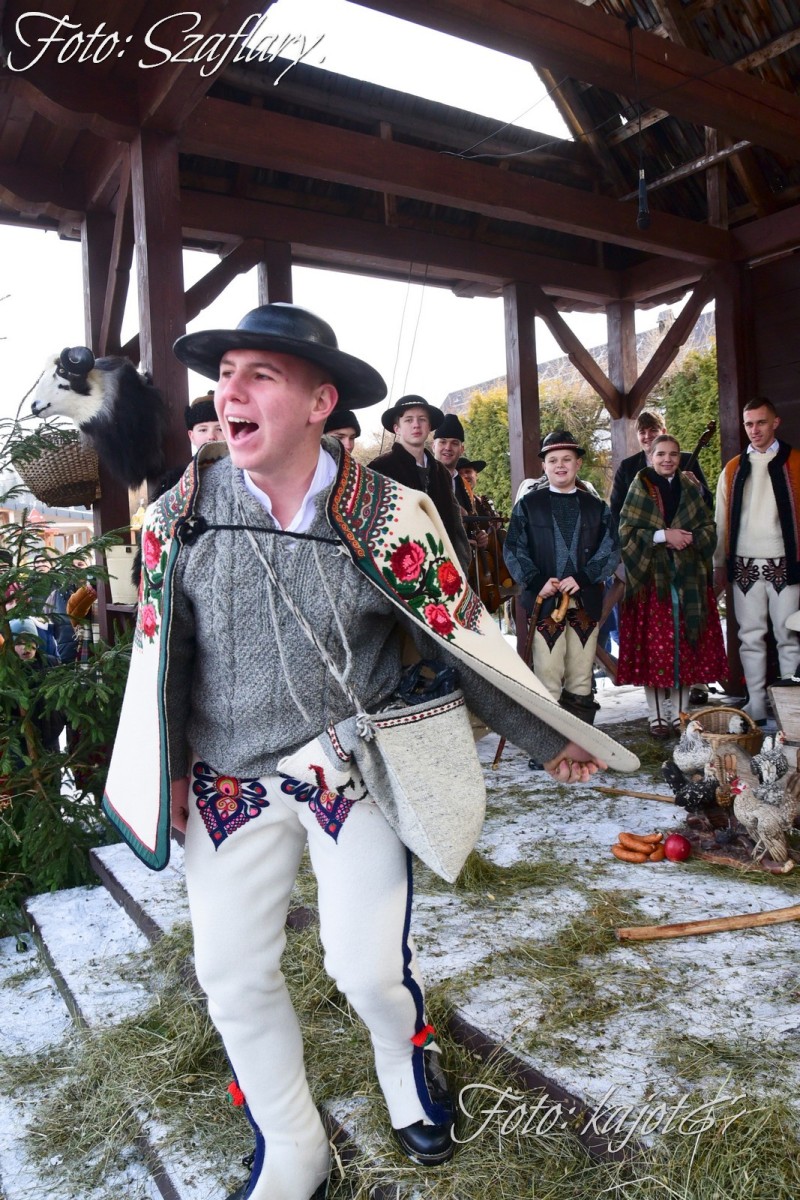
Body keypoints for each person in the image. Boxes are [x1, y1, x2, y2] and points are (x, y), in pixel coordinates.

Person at [103, 304, 634, 1200]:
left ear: (321, 403)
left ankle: (403, 1060)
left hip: (347, 767)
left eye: (260, 376)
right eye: (226, 375)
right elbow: (166, 656)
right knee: (230, 976)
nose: (231, 393)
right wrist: (169, 773)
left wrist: (547, 740)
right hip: (229, 781)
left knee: (365, 967)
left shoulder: (393, 516)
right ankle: (293, 1148)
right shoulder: (179, 517)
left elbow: (455, 637)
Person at [503, 430, 619, 724]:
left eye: (567, 459)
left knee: (581, 674)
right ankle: (551, 740)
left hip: (585, 601)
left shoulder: (597, 508)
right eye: (553, 460)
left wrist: (584, 577)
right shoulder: (528, 506)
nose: (560, 465)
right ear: (544, 466)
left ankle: (580, 739)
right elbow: (514, 548)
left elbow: (610, 548)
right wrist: (536, 580)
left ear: (578, 463)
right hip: (544, 602)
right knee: (548, 672)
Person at [618, 434, 728, 737]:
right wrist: (664, 536)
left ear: (679, 458)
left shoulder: (690, 488)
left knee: (684, 649)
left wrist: (690, 538)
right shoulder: (639, 488)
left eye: (673, 454)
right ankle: (656, 717)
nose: (667, 459)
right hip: (653, 584)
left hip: (687, 582)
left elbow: (708, 527)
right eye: (661, 454)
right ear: (651, 457)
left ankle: (681, 716)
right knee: (655, 650)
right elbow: (626, 532)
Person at [714, 397, 800, 724]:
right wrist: (719, 563)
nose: (754, 430)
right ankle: (757, 704)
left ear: (775, 422)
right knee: (749, 637)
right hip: (744, 564)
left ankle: (792, 709)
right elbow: (721, 520)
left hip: (785, 562)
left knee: (787, 635)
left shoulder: (796, 463)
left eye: (761, 422)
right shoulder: (733, 468)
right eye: (749, 424)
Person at [369, 395, 471, 571]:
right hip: (401, 571)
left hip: (443, 569)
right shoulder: (379, 470)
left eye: (422, 419)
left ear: (429, 426)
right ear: (397, 428)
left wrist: (460, 568)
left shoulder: (441, 473)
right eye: (408, 420)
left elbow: (455, 525)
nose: (416, 425)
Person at [609, 409, 711, 524]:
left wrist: (698, 487)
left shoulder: (688, 460)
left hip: (685, 533)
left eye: (653, 430)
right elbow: (616, 507)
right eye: (642, 432)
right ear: (637, 435)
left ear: (664, 431)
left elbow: (708, 503)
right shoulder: (627, 467)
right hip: (646, 533)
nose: (647, 436)